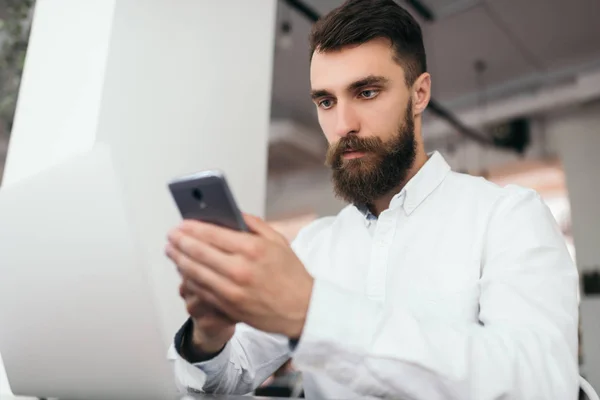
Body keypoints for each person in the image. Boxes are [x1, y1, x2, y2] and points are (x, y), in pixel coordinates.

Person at [165, 0, 580, 398]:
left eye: (366, 92)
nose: (343, 124)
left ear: (419, 94)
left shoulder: (508, 217)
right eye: (326, 101)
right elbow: (225, 377)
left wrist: (312, 313)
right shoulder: (313, 245)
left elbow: (540, 385)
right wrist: (210, 335)